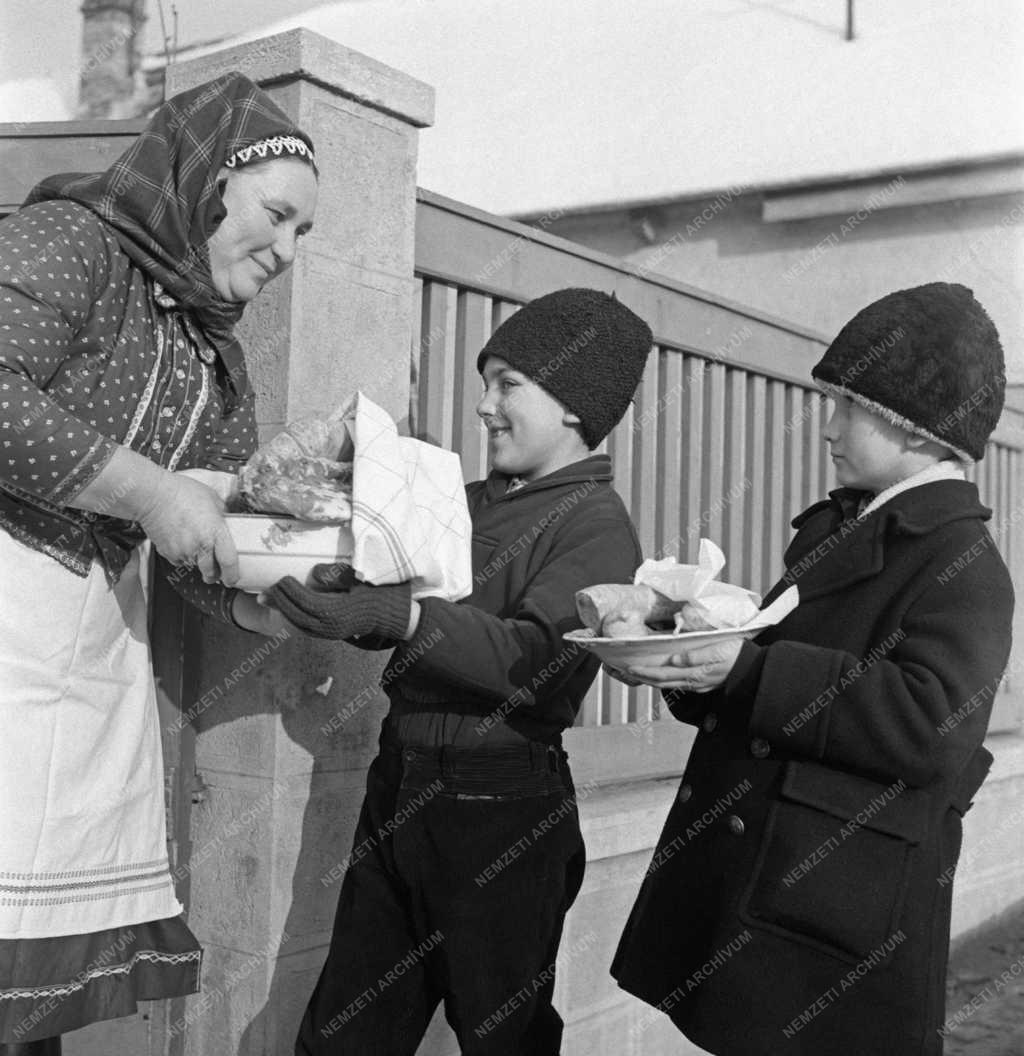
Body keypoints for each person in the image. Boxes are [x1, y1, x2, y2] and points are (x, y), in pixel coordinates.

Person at [610, 282, 1014, 1055]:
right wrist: (684, 655)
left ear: (918, 429)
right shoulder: (848, 526)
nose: (829, 429)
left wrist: (744, 672)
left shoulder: (962, 561)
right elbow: (760, 663)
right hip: (774, 889)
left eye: (851, 409)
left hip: (834, 916)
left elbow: (930, 726)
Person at [0, 73, 316, 1053]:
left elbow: (207, 539)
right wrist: (149, 491)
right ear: (205, 180)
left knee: (23, 995)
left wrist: (288, 568)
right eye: (276, 215)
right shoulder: (70, 242)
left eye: (303, 233)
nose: (286, 251)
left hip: (80, 658)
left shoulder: (214, 355)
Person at [267, 288, 653, 1055]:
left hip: (502, 806)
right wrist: (349, 588)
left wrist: (401, 616)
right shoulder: (462, 503)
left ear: (575, 404)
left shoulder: (596, 525)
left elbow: (536, 662)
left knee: (501, 1035)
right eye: (485, 382)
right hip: (400, 782)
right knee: (345, 1031)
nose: (484, 406)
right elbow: (416, 608)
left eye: (509, 384)